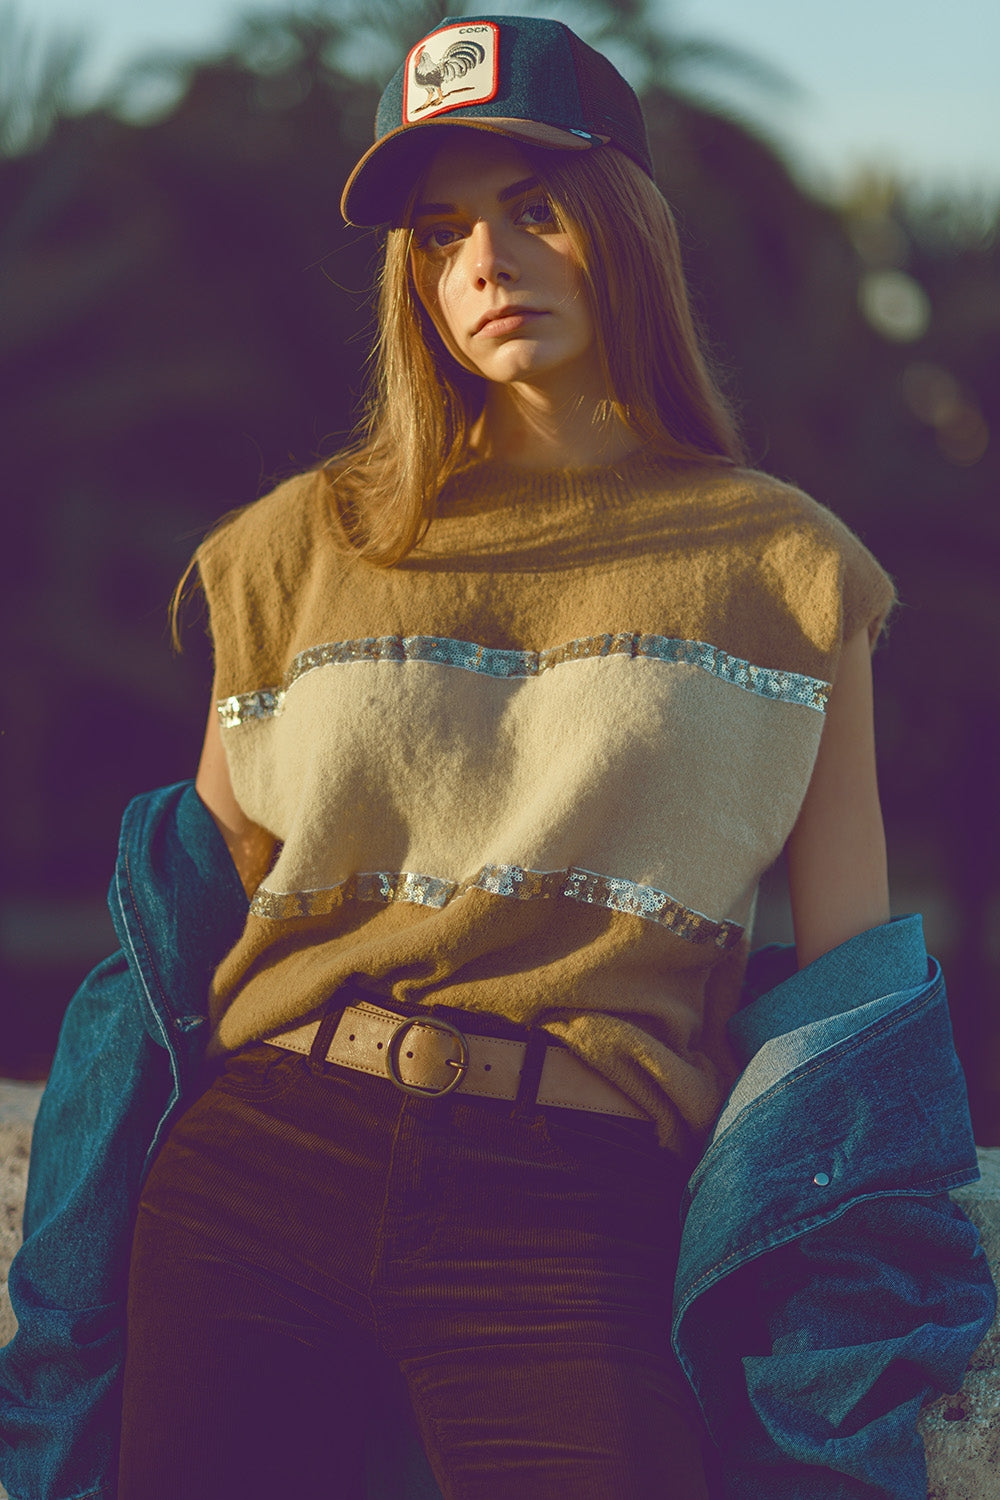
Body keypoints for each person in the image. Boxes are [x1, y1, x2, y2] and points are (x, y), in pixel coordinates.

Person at [28, 13, 983, 1500]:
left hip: (575, 1203)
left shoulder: (791, 572)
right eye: (440, 232)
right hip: (262, 1168)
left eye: (535, 208)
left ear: (629, 225)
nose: (485, 261)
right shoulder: (297, 546)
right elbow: (185, 929)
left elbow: (852, 1011)